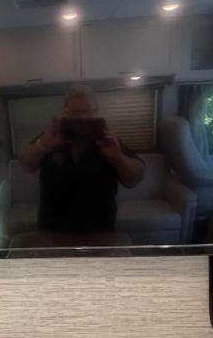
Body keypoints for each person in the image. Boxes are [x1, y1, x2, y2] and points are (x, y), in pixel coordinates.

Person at [18, 85, 145, 233]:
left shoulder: (108, 140)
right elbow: (25, 163)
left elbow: (135, 178)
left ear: (96, 113)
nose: (82, 117)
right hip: (52, 229)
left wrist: (117, 157)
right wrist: (44, 144)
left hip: (99, 230)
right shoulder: (52, 136)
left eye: (87, 111)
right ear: (65, 113)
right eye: (75, 112)